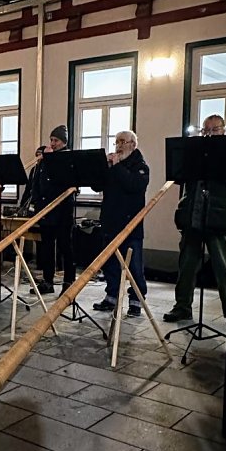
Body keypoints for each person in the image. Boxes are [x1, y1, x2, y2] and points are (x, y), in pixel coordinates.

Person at [163, 114, 226, 333]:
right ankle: (182, 307)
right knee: (187, 264)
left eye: (214, 130)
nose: (209, 134)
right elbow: (179, 176)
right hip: (193, 215)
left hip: (217, 216)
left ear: (223, 131)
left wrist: (216, 164)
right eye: (206, 130)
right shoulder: (194, 151)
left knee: (224, 266)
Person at [91, 131, 149, 318]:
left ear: (133, 144)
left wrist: (115, 167)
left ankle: (136, 301)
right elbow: (96, 186)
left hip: (130, 226)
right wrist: (102, 167)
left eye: (123, 142)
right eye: (116, 142)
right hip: (110, 223)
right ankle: (111, 297)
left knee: (134, 267)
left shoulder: (141, 166)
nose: (119, 145)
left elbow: (133, 185)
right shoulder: (113, 166)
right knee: (110, 265)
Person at [30, 124, 75, 295]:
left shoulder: (66, 158)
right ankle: (47, 281)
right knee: (47, 247)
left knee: (65, 246)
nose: (52, 143)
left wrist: (50, 160)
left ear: (63, 142)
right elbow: (36, 182)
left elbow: (62, 180)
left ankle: (69, 280)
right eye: (51, 140)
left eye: (56, 140)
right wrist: (36, 203)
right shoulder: (43, 161)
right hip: (45, 210)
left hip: (62, 210)